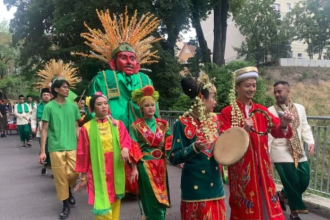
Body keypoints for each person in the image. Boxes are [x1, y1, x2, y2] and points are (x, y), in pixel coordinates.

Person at [77, 8, 162, 195]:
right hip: (114, 130)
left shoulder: (145, 79)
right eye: (123, 58)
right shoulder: (104, 77)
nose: (129, 62)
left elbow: (154, 108)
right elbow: (94, 104)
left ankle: (143, 189)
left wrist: (158, 129)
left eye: (133, 58)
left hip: (142, 130)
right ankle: (117, 189)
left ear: (138, 64)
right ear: (113, 63)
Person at [219, 67, 294, 220]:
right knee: (245, 209)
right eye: (247, 85)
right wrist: (242, 130)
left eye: (254, 85)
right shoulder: (227, 112)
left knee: (268, 206)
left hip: (263, 170)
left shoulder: (261, 110)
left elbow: (277, 130)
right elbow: (224, 143)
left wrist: (284, 123)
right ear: (237, 87)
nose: (252, 89)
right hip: (242, 173)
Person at [169, 73, 226, 220]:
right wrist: (194, 148)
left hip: (216, 186)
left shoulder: (215, 120)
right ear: (202, 98)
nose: (215, 102)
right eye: (213, 97)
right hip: (195, 188)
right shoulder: (181, 124)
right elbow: (174, 157)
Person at [74, 93, 138, 220]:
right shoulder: (86, 128)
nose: (104, 106)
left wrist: (125, 148)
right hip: (97, 170)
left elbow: (126, 140)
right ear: (92, 108)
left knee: (115, 199)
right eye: (99, 104)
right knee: (102, 202)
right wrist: (83, 175)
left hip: (115, 167)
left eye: (105, 103)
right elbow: (83, 152)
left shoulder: (117, 124)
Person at [268, 81, 315, 220]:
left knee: (304, 179)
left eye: (279, 91)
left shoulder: (300, 108)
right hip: (280, 151)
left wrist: (310, 141)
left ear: (288, 92)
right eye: (275, 92)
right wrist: (267, 154)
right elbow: (269, 133)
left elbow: (305, 126)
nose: (277, 94)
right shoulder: (270, 110)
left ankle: (281, 196)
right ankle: (294, 214)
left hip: (298, 150)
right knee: (292, 182)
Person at [39, 79, 80, 219]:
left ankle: (68, 190)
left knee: (75, 173)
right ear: (56, 90)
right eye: (64, 87)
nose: (67, 89)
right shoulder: (49, 107)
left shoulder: (73, 107)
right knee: (60, 177)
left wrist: (81, 145)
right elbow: (44, 129)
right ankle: (65, 205)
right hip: (55, 147)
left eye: (68, 87)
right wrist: (43, 151)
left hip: (72, 145)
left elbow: (76, 126)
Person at [130, 86, 172, 220]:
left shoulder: (163, 124)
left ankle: (161, 216)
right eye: (147, 105)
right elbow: (133, 146)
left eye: (152, 105)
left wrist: (173, 157)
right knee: (151, 195)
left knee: (162, 192)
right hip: (145, 164)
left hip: (160, 163)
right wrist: (134, 167)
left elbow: (170, 142)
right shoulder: (136, 125)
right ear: (141, 108)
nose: (150, 108)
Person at [31, 88, 52, 175]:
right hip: (41, 129)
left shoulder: (54, 105)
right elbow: (33, 118)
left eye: (48, 95)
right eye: (44, 95)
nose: (46, 96)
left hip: (52, 129)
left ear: (51, 96)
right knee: (45, 148)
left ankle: (53, 169)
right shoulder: (37, 106)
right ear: (41, 97)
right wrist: (33, 127)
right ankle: (45, 164)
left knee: (52, 149)